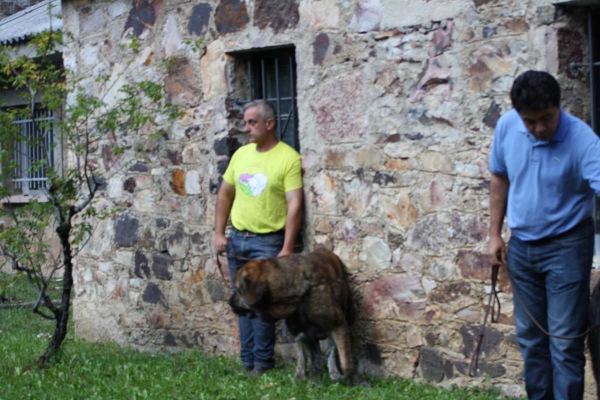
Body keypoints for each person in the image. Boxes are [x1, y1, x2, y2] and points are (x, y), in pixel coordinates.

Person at [488, 70, 600, 400]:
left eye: (546, 119)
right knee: (531, 339)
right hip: (522, 248)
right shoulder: (508, 125)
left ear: (559, 107)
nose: (538, 128)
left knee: (564, 342)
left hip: (567, 247)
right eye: (530, 121)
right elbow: (499, 177)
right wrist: (494, 234)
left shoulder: (584, 141)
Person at [212, 100, 303, 376]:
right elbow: (225, 194)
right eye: (245, 121)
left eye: (252, 122)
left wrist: (287, 247)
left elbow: (295, 204)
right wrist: (218, 233)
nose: (246, 127)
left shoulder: (288, 158)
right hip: (238, 239)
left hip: (268, 242)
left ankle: (263, 364)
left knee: (261, 303)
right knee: (242, 300)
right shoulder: (241, 155)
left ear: (269, 124)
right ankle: (247, 361)